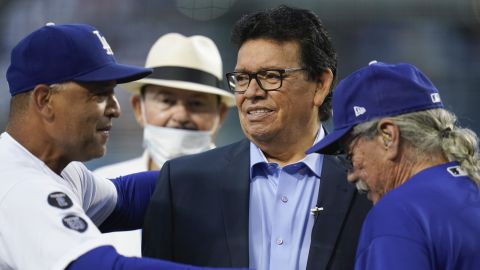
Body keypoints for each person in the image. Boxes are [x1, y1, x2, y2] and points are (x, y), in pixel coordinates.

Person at [0, 23, 246, 270]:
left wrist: (244, 172)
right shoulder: (19, 185)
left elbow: (125, 199)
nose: (116, 109)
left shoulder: (61, 169)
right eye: (99, 95)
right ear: (45, 100)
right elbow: (104, 267)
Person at [143, 5, 372, 270]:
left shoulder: (369, 181)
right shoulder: (182, 183)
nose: (251, 92)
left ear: (320, 85)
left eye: (270, 76)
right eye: (242, 78)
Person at [308, 61, 480, 269]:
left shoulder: (399, 214)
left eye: (351, 155)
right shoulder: (471, 186)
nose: (351, 176)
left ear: (388, 136)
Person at [94, 33, 234, 256]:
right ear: (139, 108)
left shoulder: (244, 190)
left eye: (196, 103)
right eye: (166, 101)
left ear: (221, 115)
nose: (180, 115)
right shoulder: (102, 190)